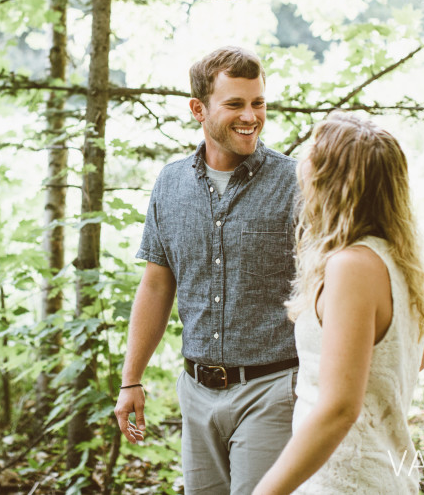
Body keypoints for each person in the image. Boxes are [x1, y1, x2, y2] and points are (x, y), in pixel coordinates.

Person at [113, 46, 300, 494]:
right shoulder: (170, 184)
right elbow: (157, 285)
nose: (251, 116)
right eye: (235, 104)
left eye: (258, 102)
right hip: (195, 393)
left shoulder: (296, 183)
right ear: (198, 109)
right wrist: (130, 379)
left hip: (274, 389)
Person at [252, 111, 424, 495]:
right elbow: (422, 352)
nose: (301, 168)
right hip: (381, 473)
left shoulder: (352, 266)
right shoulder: (397, 258)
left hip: (346, 481)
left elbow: (339, 408)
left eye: (311, 158)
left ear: (330, 181)